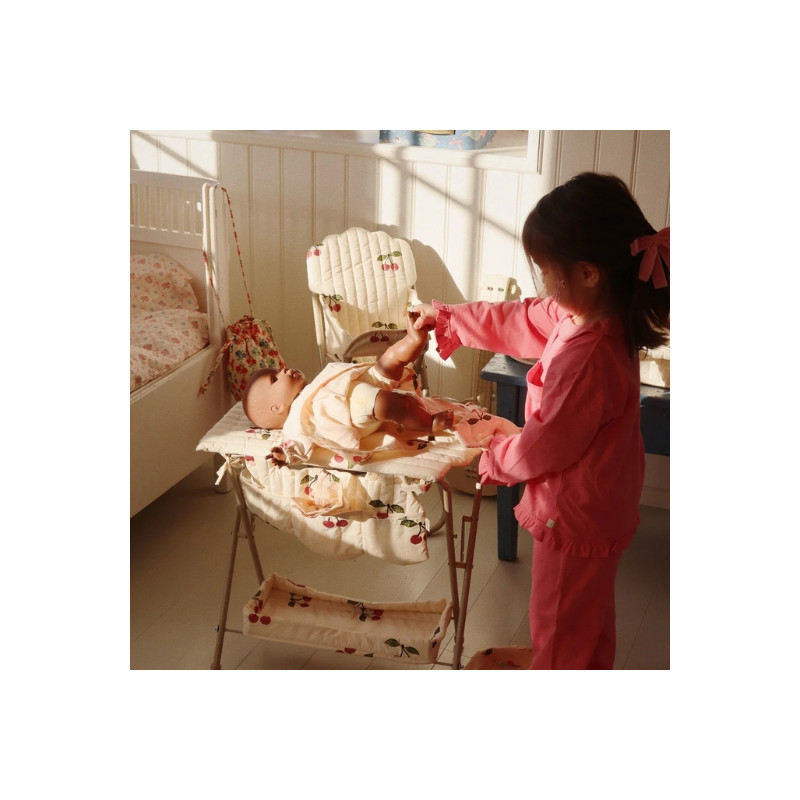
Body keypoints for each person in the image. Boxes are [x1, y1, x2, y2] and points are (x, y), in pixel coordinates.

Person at [411, 171, 670, 670]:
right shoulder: (594, 316)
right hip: (599, 503)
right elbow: (522, 317)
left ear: (588, 273)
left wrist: (493, 452)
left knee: (558, 630)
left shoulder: (586, 355)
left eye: (547, 272)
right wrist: (451, 318)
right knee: (588, 624)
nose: (545, 284)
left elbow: (545, 445)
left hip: (574, 512)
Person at [242, 311, 463, 465]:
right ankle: (428, 423)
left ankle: (414, 340)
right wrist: (284, 454)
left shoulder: (312, 387)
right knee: (392, 403)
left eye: (278, 370)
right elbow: (298, 444)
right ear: (277, 408)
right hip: (354, 410)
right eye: (275, 379)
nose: (283, 370)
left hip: (357, 383)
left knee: (390, 360)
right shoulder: (295, 422)